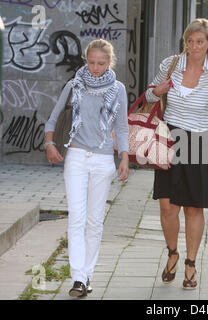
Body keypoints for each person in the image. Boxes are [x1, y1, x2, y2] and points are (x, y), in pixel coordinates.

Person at [145, 18, 208, 290]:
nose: (194, 46)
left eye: (200, 41)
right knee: (167, 206)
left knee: (193, 207)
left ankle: (190, 263)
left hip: (199, 142)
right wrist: (157, 91)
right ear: (185, 42)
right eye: (190, 41)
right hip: (170, 138)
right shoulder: (170, 65)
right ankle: (172, 253)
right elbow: (149, 96)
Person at [44, 39, 129, 297]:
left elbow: (122, 127)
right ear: (86, 60)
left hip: (104, 161)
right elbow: (53, 117)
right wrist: (49, 143)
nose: (95, 67)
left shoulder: (118, 89)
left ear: (110, 62)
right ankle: (78, 279)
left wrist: (124, 157)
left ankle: (87, 274)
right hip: (77, 157)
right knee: (77, 218)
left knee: (94, 222)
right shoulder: (74, 85)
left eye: (101, 63)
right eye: (91, 62)